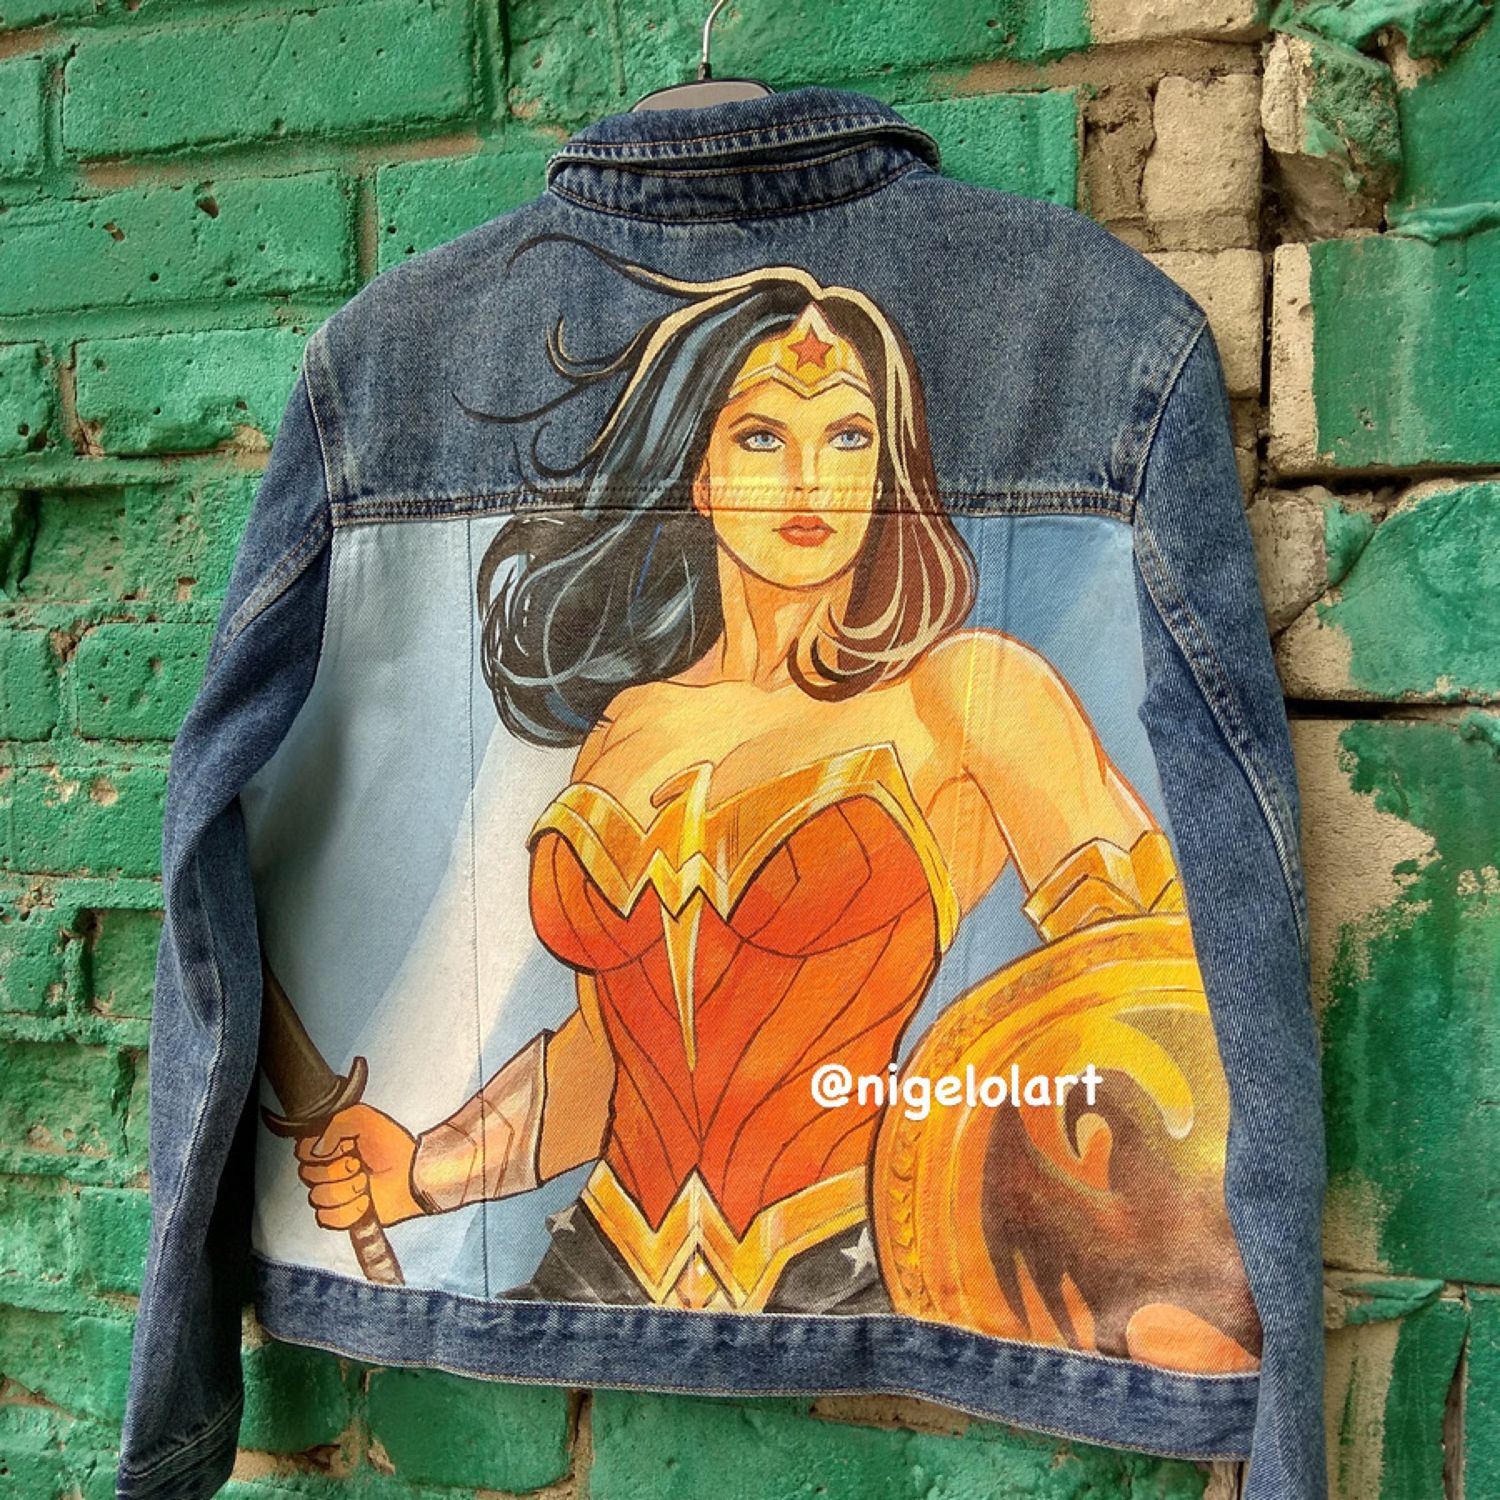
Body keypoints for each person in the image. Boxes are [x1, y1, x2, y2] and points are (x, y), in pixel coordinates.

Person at [288, 244, 1260, 1370]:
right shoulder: (626, 728)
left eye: (848, 438)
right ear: (699, 473)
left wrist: (1147, 1285)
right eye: (762, 437)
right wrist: (424, 1171)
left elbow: (1154, 1004)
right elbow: (607, 1056)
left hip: (849, 1281)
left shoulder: (967, 694)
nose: (809, 480)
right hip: (595, 1282)